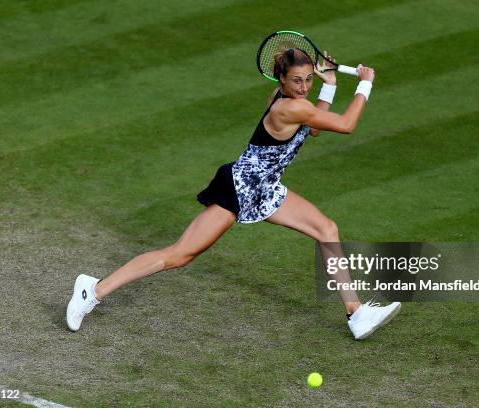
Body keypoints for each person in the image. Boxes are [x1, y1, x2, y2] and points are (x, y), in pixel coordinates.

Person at [67, 48, 401, 340]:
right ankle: (93, 290)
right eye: (296, 81)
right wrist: (365, 83)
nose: (303, 87)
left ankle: (356, 313)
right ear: (281, 80)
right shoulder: (288, 107)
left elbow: (313, 128)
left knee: (326, 229)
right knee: (180, 256)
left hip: (265, 188)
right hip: (239, 187)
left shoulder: (295, 103)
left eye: (308, 80)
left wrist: (329, 84)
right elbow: (344, 125)